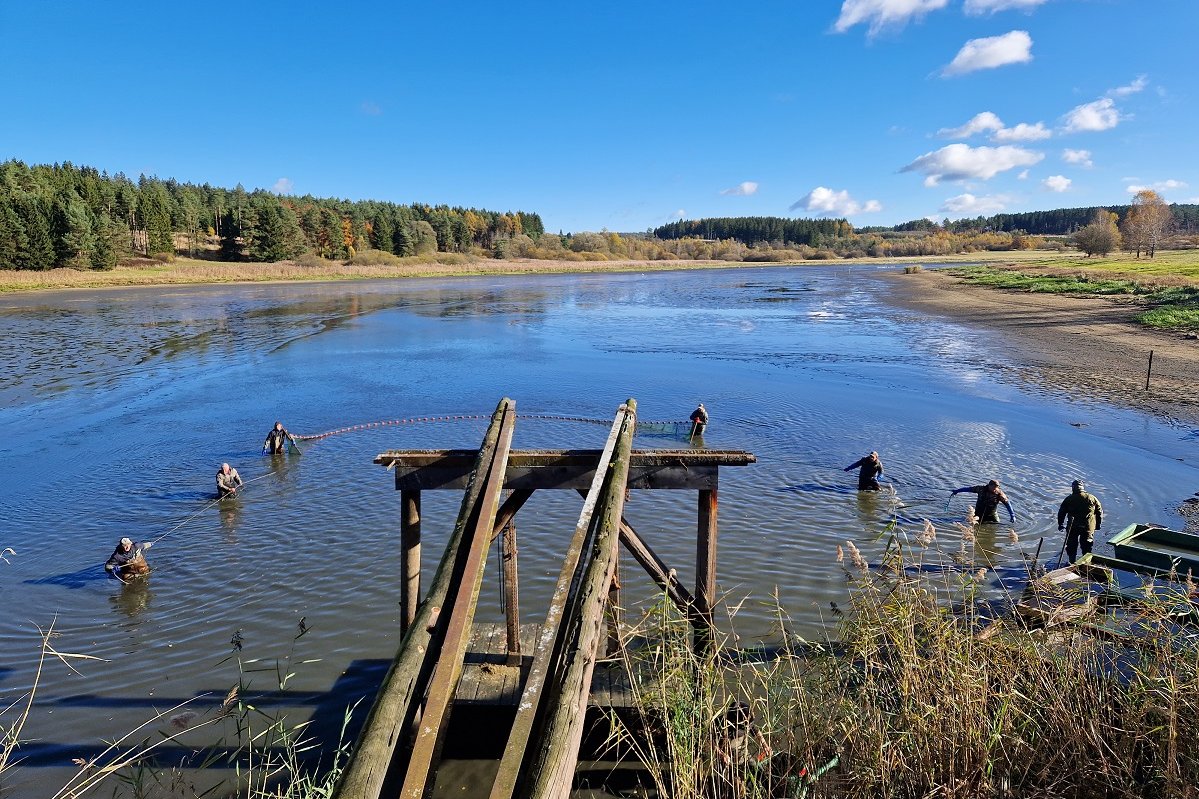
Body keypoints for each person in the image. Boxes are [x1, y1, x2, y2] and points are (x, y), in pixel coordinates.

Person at [1058, 479, 1103, 563]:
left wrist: (1060, 524)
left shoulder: (1069, 499)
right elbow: (1099, 512)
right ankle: (1086, 563)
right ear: (1082, 488)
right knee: (1087, 545)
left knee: (1071, 545)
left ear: (1073, 488)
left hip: (1073, 526)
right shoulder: (1092, 498)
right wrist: (1098, 524)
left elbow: (1061, 513)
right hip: (1088, 526)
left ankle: (1072, 562)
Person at [951, 479, 1015, 524]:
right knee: (976, 523)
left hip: (992, 514)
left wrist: (1012, 515)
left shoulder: (999, 494)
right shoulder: (980, 489)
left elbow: (1007, 503)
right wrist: (957, 491)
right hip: (979, 512)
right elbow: (968, 489)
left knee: (997, 524)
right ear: (989, 485)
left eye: (996, 488)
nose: (995, 489)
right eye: (993, 487)